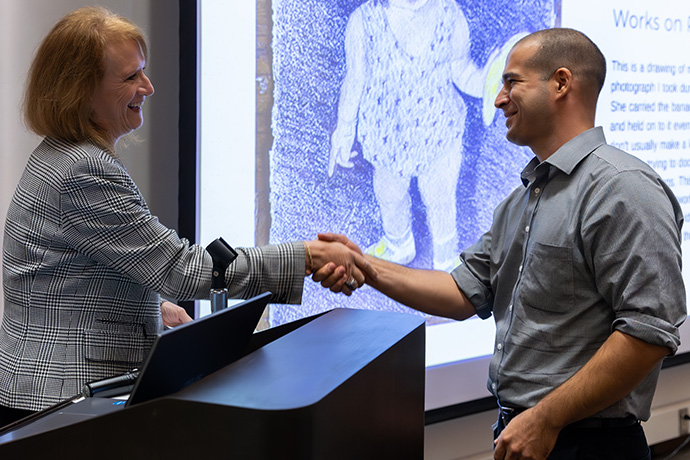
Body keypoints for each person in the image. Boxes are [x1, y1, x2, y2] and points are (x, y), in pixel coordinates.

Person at [319, 28, 686, 459]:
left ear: (561, 83)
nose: (497, 99)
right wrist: (365, 267)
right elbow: (461, 292)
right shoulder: (523, 200)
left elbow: (648, 333)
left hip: (586, 443)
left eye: (512, 82)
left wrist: (546, 418)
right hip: (525, 433)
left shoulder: (623, 188)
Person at [0, 6, 373, 427]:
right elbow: (181, 270)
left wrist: (152, 305)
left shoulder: (61, 156)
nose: (149, 86)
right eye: (130, 77)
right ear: (81, 92)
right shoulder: (85, 170)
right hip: (60, 406)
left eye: (144, 71)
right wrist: (305, 256)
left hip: (46, 397)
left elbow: (76, 275)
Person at [329, 0, 490, 271]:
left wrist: (490, 82)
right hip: (386, 132)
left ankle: (446, 258)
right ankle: (398, 244)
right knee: (390, 194)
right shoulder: (363, 21)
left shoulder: (449, 14)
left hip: (439, 128)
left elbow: (461, 70)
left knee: (440, 198)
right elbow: (355, 79)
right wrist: (344, 130)